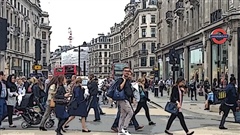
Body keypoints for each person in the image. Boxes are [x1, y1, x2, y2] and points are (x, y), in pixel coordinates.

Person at [116, 67, 134, 135]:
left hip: (126, 99)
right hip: (123, 99)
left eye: (128, 71)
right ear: (123, 72)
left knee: (122, 115)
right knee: (130, 113)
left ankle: (120, 131)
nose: (127, 72)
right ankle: (124, 128)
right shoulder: (121, 79)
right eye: (125, 71)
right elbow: (120, 88)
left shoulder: (128, 80)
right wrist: (124, 80)